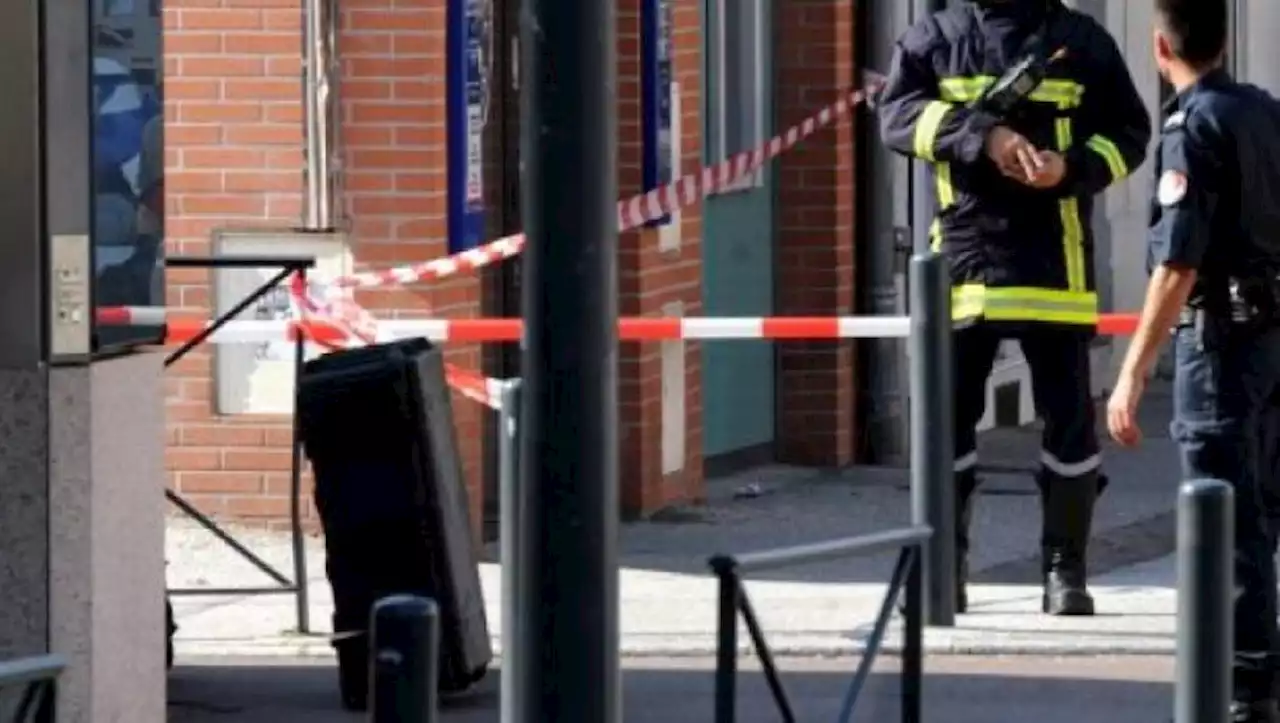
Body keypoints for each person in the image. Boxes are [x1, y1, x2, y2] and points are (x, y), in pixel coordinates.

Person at [877, 0, 1151, 616]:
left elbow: (1129, 133)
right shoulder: (935, 39)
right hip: (966, 262)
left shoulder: (1080, 41)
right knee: (948, 427)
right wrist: (984, 135)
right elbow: (896, 118)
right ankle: (944, 571)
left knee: (1070, 430)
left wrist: (1070, 168)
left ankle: (1065, 572)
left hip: (1056, 265)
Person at [1106, 1, 1280, 719]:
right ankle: (1256, 675)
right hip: (1270, 336)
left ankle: (1241, 687)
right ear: (1226, 37)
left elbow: (1177, 263)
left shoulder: (1192, 126)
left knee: (1223, 511)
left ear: (1158, 46)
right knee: (1259, 509)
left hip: (1220, 341)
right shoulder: (1264, 112)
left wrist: (1133, 367)